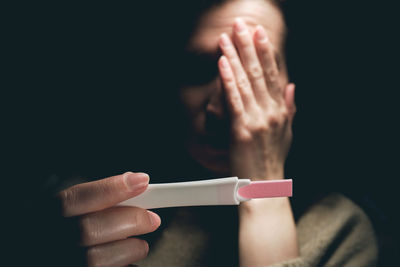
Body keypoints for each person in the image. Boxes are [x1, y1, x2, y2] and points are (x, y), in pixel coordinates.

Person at [38, 0, 378, 266]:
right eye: (200, 69)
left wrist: (264, 189)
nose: (222, 107)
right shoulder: (83, 209)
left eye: (255, 70)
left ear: (291, 92)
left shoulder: (340, 230)